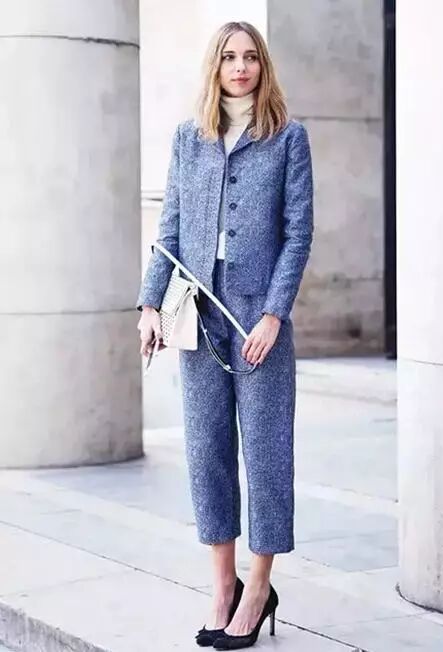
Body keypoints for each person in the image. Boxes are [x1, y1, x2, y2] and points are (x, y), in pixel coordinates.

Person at [136, 21, 314, 650]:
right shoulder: (190, 137)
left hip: (259, 324)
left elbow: (298, 233)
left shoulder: (288, 138)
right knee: (206, 452)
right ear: (215, 67)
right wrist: (149, 303)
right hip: (198, 317)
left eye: (251, 57)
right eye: (229, 57)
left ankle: (259, 589)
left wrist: (274, 313)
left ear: (264, 66)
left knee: (266, 456)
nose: (240, 67)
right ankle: (223, 588)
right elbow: (170, 227)